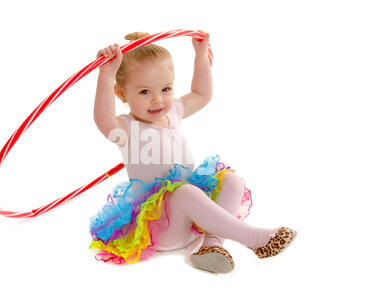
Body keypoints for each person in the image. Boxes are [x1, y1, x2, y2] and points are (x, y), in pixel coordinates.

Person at [89, 31, 296, 273]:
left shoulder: (173, 111)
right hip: (162, 228)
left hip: (193, 220)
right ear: (122, 94)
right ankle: (254, 239)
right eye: (145, 92)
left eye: (166, 88)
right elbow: (103, 119)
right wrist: (106, 74)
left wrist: (200, 55)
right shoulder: (126, 128)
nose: (157, 99)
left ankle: (212, 244)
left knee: (231, 180)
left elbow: (202, 94)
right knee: (185, 191)